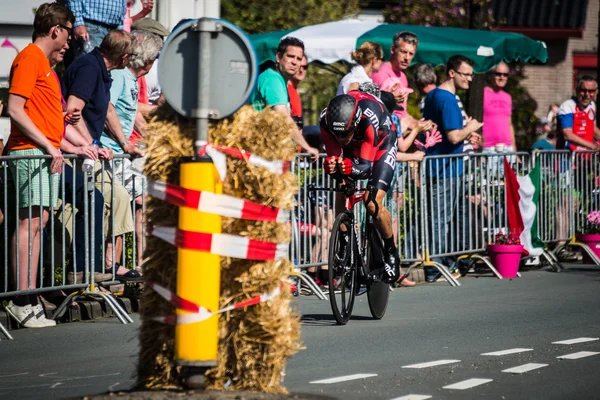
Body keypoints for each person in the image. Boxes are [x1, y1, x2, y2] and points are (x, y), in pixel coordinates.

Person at [4, 2, 74, 328]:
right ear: (55, 30)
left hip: (44, 152)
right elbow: (14, 108)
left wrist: (58, 139)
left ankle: (29, 298)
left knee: (38, 223)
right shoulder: (30, 57)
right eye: (68, 33)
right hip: (30, 151)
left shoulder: (42, 63)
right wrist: (47, 144)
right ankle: (22, 299)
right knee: (29, 223)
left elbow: (39, 114)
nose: (69, 40)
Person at [62, 30, 142, 279]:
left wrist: (124, 142)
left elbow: (106, 109)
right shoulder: (89, 68)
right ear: (125, 57)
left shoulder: (102, 70)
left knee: (116, 198)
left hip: (88, 151)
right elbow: (73, 111)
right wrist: (91, 145)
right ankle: (89, 268)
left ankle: (105, 265)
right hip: (77, 153)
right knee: (112, 197)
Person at [320, 91, 404, 285]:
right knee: (343, 186)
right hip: (356, 146)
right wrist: (332, 167)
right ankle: (343, 242)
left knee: (371, 202)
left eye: (345, 134)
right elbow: (335, 157)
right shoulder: (326, 121)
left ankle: (391, 251)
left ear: (356, 123)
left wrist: (349, 167)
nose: (341, 139)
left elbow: (365, 169)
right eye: (337, 135)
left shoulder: (368, 118)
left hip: (382, 142)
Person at [100, 30, 162, 268]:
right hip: (111, 152)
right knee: (129, 202)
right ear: (147, 60)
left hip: (122, 151)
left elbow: (132, 113)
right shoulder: (119, 77)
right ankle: (113, 266)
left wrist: (153, 139)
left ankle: (139, 263)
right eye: (155, 58)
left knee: (138, 203)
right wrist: (123, 143)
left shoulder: (132, 80)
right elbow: (107, 109)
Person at [421, 55, 483, 283]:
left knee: (445, 219)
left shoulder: (435, 95)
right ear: (451, 73)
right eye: (465, 74)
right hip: (444, 168)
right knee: (440, 220)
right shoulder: (446, 98)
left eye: (471, 75)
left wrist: (467, 131)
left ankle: (444, 264)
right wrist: (471, 127)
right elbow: (453, 135)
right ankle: (435, 269)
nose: (470, 79)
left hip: (444, 167)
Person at [250, 37, 319, 159]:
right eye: (290, 56)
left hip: (272, 153)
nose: (295, 62)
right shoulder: (273, 80)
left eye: (298, 59)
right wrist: (306, 147)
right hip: (265, 155)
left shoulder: (279, 80)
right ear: (278, 57)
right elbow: (283, 118)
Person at [372, 31, 419, 125]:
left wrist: (418, 124)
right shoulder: (381, 74)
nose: (407, 58)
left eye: (411, 54)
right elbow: (377, 111)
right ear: (393, 49)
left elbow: (402, 113)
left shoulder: (403, 76)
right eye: (403, 52)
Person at [482, 62, 515, 177]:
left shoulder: (507, 97)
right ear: (491, 74)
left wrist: (514, 150)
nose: (502, 77)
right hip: (488, 147)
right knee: (486, 184)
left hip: (507, 148)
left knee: (507, 186)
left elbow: (509, 124)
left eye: (505, 75)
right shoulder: (482, 93)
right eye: (498, 74)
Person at [557, 75, 600, 151]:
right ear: (577, 91)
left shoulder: (592, 105)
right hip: (567, 158)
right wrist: (593, 146)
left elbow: (592, 128)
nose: (587, 95)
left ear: (596, 92)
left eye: (591, 91)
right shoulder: (567, 106)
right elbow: (568, 135)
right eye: (583, 90)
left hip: (585, 158)